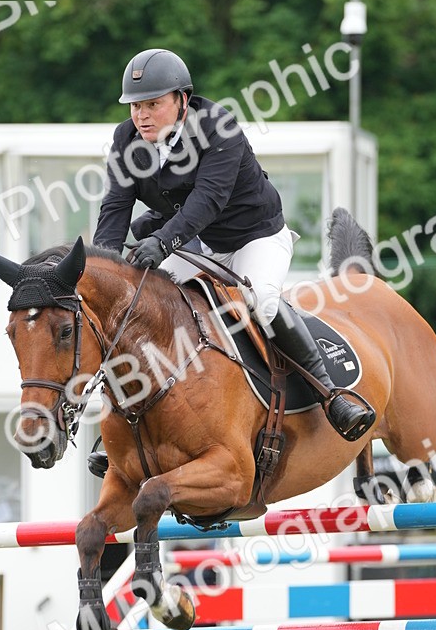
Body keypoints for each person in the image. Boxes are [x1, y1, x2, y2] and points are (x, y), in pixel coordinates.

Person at [93, 47, 375, 442]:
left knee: (261, 300)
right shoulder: (126, 139)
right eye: (135, 106)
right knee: (143, 304)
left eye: (152, 104)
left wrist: (160, 240)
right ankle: (126, 419)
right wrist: (101, 269)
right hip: (197, 241)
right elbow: (116, 205)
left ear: (182, 101)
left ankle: (331, 394)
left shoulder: (217, 128)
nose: (141, 116)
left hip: (255, 237)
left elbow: (207, 200)